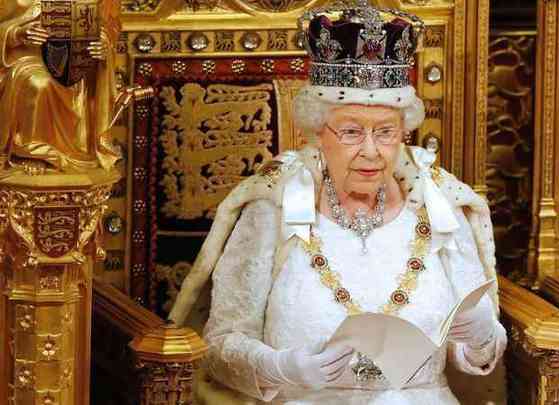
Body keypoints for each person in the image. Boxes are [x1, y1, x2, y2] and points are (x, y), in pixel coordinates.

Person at [168, 1, 507, 403]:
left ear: (404, 134)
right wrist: (283, 368)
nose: (371, 151)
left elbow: (478, 355)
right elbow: (222, 344)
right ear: (317, 132)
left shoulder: (439, 206)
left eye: (385, 133)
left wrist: (484, 333)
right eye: (350, 132)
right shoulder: (273, 206)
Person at [0, 0, 120, 172]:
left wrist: (102, 45)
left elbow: (108, 28)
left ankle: (68, 153)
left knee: (66, 81)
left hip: (75, 61)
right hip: (25, 58)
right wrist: (18, 33)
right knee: (39, 84)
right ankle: (33, 152)